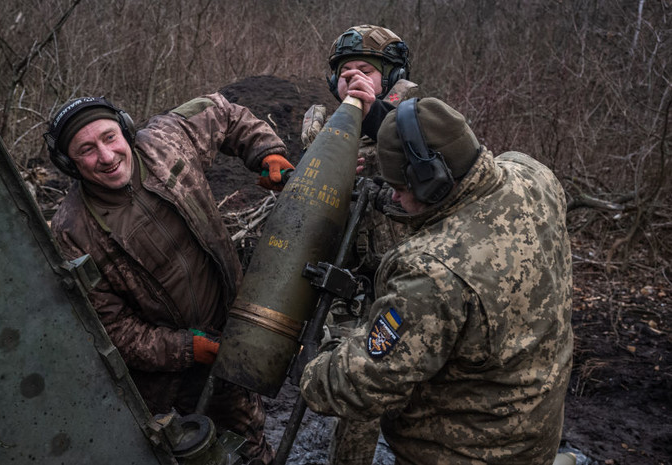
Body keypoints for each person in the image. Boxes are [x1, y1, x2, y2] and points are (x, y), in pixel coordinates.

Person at [300, 96, 574, 464]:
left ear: (432, 181)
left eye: (400, 186)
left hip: (461, 452)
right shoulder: (533, 174)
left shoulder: (431, 271)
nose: (393, 193)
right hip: (534, 434)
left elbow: (362, 384)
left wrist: (311, 367)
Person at [44, 94, 294, 464]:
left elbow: (222, 112)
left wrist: (265, 151)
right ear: (70, 163)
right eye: (87, 149)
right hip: (185, 369)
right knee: (236, 447)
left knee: (259, 410)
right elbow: (112, 328)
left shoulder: (166, 141)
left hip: (238, 312)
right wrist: (185, 349)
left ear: (125, 130)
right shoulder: (71, 231)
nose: (108, 156)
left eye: (110, 137)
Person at [299, 24, 420, 465]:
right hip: (345, 280)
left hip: (402, 279)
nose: (352, 77)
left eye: (365, 70)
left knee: (406, 398)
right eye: (345, 71)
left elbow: (407, 148)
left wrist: (373, 113)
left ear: (390, 77)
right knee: (354, 393)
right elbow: (322, 155)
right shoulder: (324, 121)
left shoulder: (416, 118)